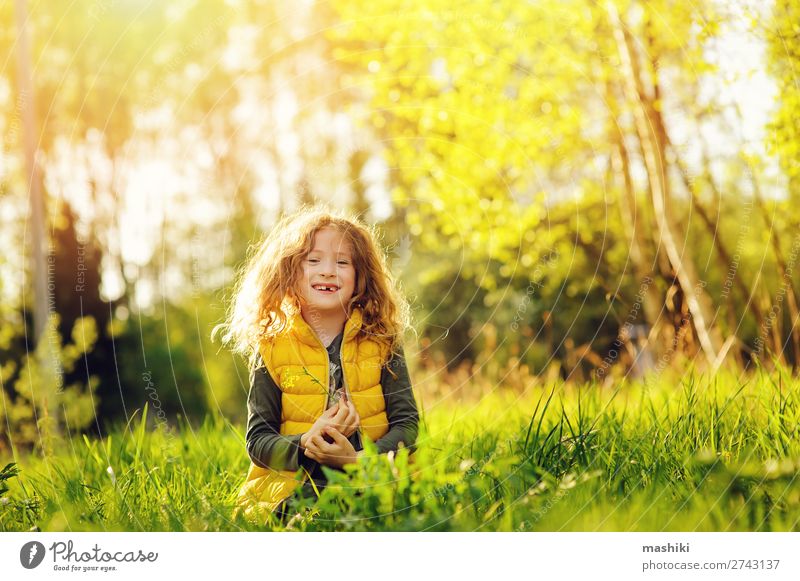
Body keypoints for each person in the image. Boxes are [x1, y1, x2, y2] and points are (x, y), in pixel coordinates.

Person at [214, 206, 419, 523]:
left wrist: (358, 460)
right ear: (290, 272)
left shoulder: (382, 340)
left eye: (342, 261)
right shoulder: (271, 347)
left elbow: (407, 425)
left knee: (382, 504)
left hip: (372, 473)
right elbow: (258, 442)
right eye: (313, 260)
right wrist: (305, 444)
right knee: (304, 511)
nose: (327, 270)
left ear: (360, 276)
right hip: (299, 478)